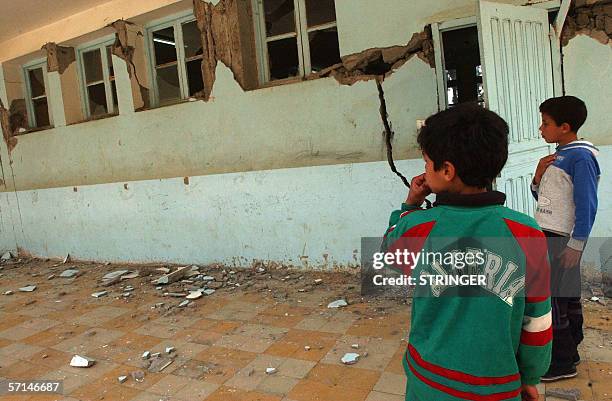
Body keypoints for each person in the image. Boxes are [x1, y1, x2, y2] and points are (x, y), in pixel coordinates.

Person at [381, 104, 551, 401]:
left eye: (426, 162)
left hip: (428, 384)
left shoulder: (418, 228)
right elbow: (537, 320)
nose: (424, 171)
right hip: (499, 385)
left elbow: (387, 264)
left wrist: (408, 207)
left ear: (447, 171)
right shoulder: (527, 232)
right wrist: (530, 376)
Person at [531, 96, 600, 381]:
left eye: (546, 123)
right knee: (564, 296)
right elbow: (544, 198)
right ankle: (570, 351)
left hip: (562, 240)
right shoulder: (558, 155)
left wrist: (576, 244)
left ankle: (561, 363)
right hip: (548, 235)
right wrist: (537, 175)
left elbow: (587, 205)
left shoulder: (581, 157)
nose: (540, 129)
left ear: (565, 126)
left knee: (557, 301)